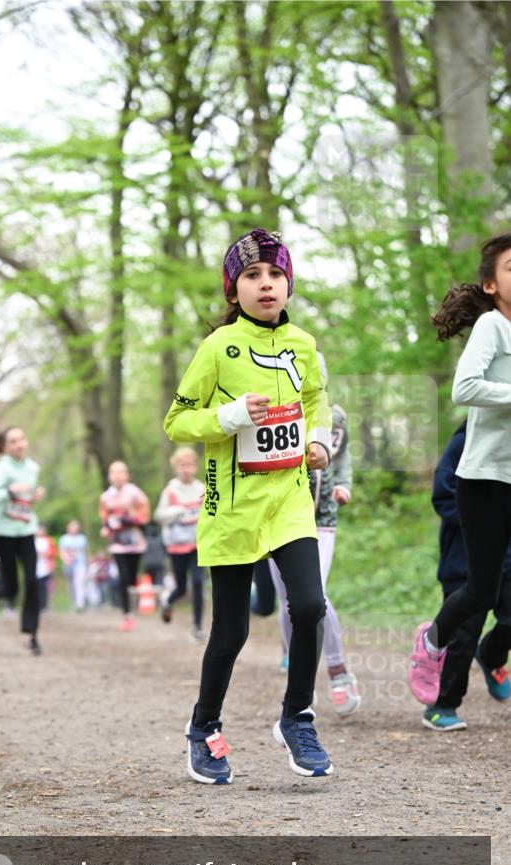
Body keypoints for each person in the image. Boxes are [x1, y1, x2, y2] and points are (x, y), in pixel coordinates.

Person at [164, 227, 333, 785]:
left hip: (288, 498)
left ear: (288, 285)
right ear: (234, 290)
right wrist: (229, 417)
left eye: (276, 274)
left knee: (308, 605)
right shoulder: (218, 348)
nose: (267, 284)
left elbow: (316, 400)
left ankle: (297, 717)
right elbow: (176, 421)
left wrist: (319, 440)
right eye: (253, 276)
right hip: (231, 507)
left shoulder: (303, 345)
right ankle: (204, 728)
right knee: (231, 631)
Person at [410, 233, 511, 703]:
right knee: (481, 592)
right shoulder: (492, 327)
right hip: (486, 479)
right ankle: (431, 641)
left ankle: (492, 653)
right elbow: (464, 387)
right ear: (490, 285)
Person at [269, 397, 360, 717]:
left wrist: (344, 484)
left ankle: (339, 674)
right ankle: (299, 678)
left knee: (313, 596)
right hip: (276, 517)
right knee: (288, 600)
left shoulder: (334, 416)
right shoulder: (270, 411)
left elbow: (343, 453)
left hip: (321, 518)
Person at [421, 421, 510, 730]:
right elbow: (443, 495)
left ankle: (491, 655)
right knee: (463, 634)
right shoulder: (464, 444)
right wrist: (485, 524)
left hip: (507, 558)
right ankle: (442, 705)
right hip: (465, 558)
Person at [0, 426, 44, 655]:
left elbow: (26, 500)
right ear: (4, 447)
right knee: (11, 587)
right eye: (13, 441)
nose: (19, 444)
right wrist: (10, 491)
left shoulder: (33, 468)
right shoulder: (0, 470)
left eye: (22, 439)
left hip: (26, 531)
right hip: (4, 533)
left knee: (33, 582)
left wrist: (34, 496)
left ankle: (30, 634)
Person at [155, 446, 206, 640]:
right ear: (175, 467)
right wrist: (175, 511)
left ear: (195, 466)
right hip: (176, 545)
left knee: (198, 582)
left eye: (190, 465)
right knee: (182, 587)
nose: (187, 469)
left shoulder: (201, 488)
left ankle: (197, 626)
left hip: (196, 544)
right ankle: (168, 600)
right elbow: (158, 515)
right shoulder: (170, 490)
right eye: (183, 465)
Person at [98, 460, 150, 631]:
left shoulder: (136, 494)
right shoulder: (105, 497)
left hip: (135, 543)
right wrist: (105, 528)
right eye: (114, 472)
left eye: (121, 472)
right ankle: (127, 615)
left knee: (132, 577)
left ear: (127, 475)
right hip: (117, 544)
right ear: (110, 476)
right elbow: (105, 518)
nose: (118, 476)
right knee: (123, 577)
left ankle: (133, 603)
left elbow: (144, 516)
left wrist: (127, 520)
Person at [58, 520, 88, 611]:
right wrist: (66, 560)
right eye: (72, 526)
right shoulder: (64, 539)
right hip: (68, 564)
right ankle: (73, 603)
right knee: (71, 585)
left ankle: (80, 604)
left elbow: (85, 552)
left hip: (80, 564)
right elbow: (62, 552)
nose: (74, 528)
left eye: (76, 526)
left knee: (79, 583)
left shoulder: (82, 538)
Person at [35, 525, 57, 611]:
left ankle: (45, 605)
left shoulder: (49, 540)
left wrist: (45, 554)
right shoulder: (33, 540)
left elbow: (53, 552)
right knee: (37, 587)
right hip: (36, 568)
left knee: (47, 588)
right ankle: (38, 605)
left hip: (46, 568)